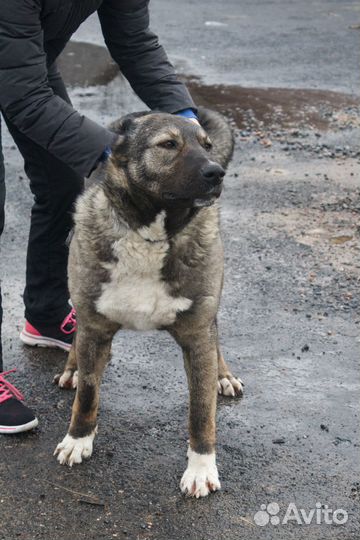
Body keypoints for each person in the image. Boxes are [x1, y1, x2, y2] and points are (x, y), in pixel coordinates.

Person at [0, 0, 198, 433]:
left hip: (23, 63)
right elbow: (26, 98)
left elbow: (134, 42)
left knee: (60, 181)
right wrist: (118, 153)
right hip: (18, 72)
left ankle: (46, 314)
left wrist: (187, 121)